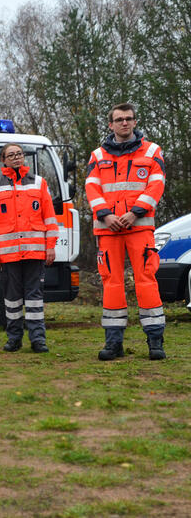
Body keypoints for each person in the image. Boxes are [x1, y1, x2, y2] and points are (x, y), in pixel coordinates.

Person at [85, 103, 166, 361]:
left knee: (146, 281)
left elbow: (156, 185)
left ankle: (155, 343)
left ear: (134, 122)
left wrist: (135, 213)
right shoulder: (97, 156)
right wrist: (106, 216)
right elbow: (92, 188)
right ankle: (113, 344)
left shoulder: (152, 151)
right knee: (112, 283)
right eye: (119, 119)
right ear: (110, 124)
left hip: (139, 227)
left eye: (128, 119)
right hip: (108, 230)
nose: (124, 123)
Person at [0, 143, 58, 353]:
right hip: (7, 254)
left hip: (35, 251)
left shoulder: (39, 184)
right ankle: (14, 338)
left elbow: (50, 218)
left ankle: (38, 339)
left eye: (19, 154)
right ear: (3, 160)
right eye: (11, 155)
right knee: (12, 298)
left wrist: (50, 247)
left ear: (24, 157)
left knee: (35, 298)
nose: (16, 158)